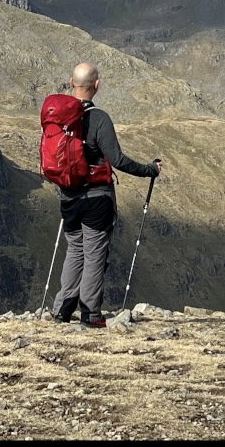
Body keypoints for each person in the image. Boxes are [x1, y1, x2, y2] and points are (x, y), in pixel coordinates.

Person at [53, 62, 160, 327]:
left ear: (71, 83)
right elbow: (118, 160)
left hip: (68, 197)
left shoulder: (58, 118)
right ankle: (91, 314)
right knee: (95, 254)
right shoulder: (99, 118)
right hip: (97, 199)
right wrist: (150, 170)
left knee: (75, 250)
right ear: (96, 85)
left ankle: (62, 310)